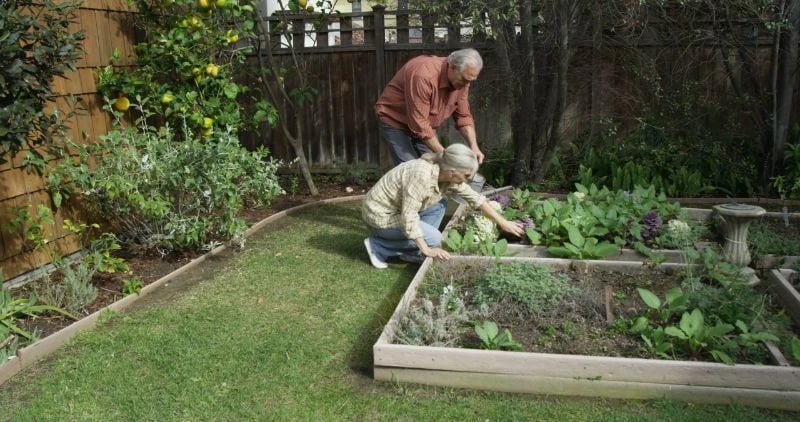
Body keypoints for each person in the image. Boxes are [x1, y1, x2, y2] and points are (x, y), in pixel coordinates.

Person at [361, 143, 524, 269]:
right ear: (452, 171)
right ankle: (379, 247)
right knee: (435, 238)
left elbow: (475, 198)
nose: (467, 180)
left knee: (440, 204)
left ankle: (412, 251)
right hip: (379, 217)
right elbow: (408, 217)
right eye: (466, 175)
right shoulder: (421, 176)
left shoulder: (444, 173)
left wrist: (504, 223)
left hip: (395, 210)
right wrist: (427, 249)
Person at [375, 48, 485, 167]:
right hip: (395, 119)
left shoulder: (463, 81)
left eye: (470, 81)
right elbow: (419, 123)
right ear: (452, 67)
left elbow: (463, 116)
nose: (466, 84)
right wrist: (445, 156)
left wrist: (474, 146)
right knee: (411, 169)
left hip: (424, 126)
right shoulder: (423, 75)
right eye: (464, 79)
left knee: (436, 167)